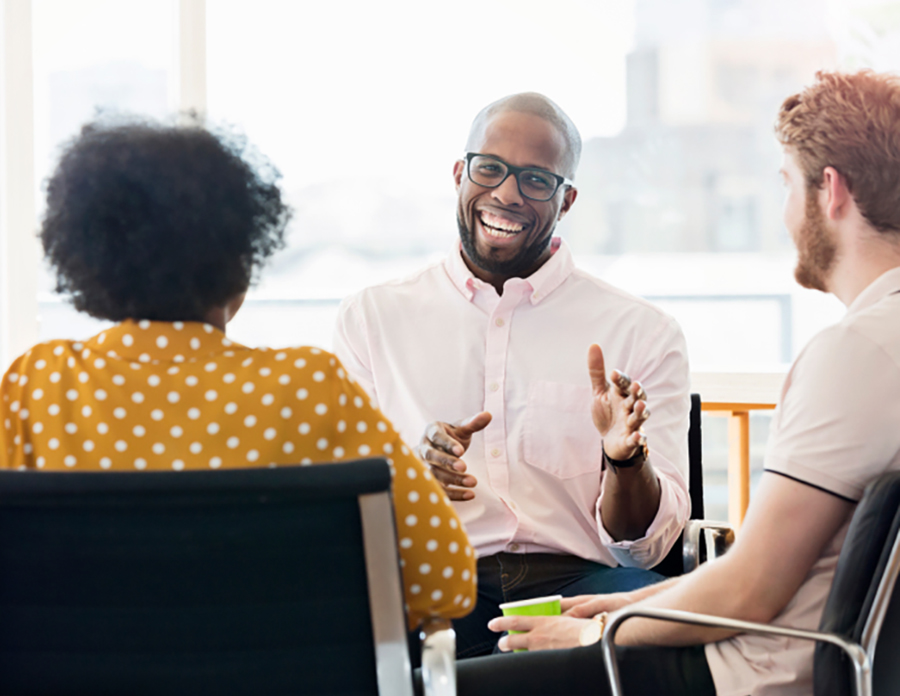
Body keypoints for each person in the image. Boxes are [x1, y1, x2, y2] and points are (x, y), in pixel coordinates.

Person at [462, 69, 900, 696]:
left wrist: (597, 634)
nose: (783, 213)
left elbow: (749, 587)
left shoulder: (854, 352)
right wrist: (613, 610)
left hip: (745, 674)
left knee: (446, 686)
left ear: (829, 191)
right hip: (805, 658)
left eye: (785, 185)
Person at [0, 117, 476, 631]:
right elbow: (446, 578)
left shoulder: (38, 384)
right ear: (240, 262)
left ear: (89, 259)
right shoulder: (309, 387)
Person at [333, 93, 691, 656]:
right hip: (435, 581)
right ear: (459, 174)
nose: (506, 193)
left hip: (579, 585)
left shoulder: (642, 331)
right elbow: (347, 506)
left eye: (535, 179)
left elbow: (646, 550)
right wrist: (412, 474)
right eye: (491, 169)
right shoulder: (372, 318)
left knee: (655, 630)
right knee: (340, 633)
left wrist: (626, 460)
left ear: (566, 199)